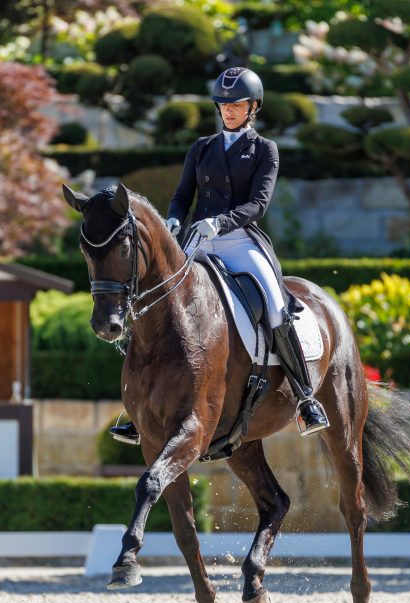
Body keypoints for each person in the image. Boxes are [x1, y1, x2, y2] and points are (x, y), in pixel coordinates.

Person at [110, 66, 329, 446]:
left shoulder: (264, 150)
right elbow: (182, 195)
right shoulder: (202, 148)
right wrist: (175, 219)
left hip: (241, 241)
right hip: (197, 240)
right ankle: (136, 409)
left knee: (276, 306)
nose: (229, 111)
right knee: (156, 302)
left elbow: (259, 204)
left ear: (253, 107)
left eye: (237, 104)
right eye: (224, 105)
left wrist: (223, 222)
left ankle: (306, 397)